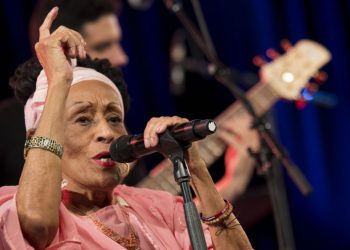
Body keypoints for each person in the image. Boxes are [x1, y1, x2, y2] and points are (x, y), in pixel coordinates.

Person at [0, 8, 252, 249]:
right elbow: (36, 225)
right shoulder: (16, 210)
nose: (107, 133)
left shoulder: (161, 208)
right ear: (38, 138)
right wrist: (59, 83)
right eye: (83, 120)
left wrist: (198, 173)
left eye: (113, 118)